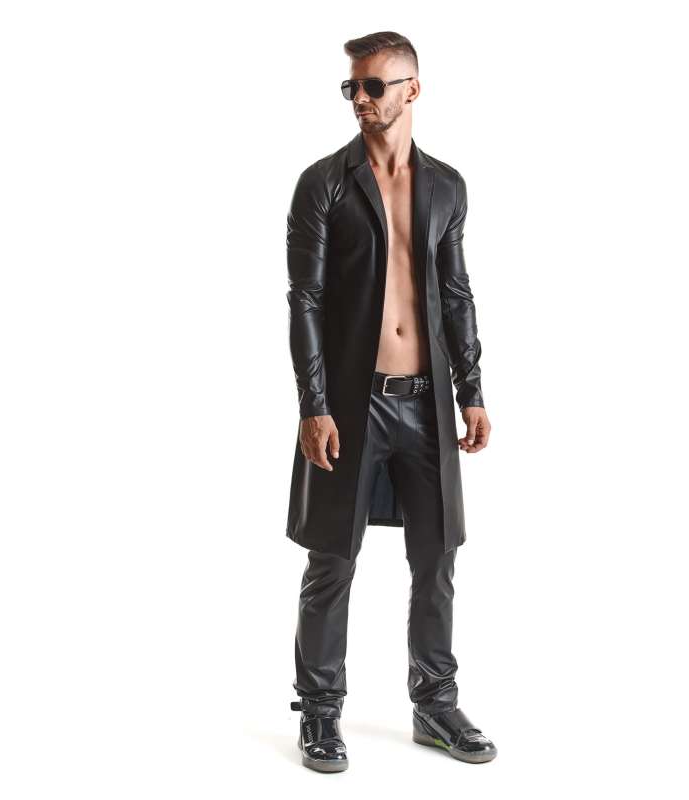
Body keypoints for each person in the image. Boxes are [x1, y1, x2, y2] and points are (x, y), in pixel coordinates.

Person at [285, 31, 496, 772]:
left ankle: (435, 704)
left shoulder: (446, 187)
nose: (361, 99)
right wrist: (314, 403)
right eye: (353, 86)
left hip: (428, 402)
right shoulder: (323, 184)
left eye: (375, 86)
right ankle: (319, 711)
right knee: (332, 560)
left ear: (413, 88)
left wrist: (472, 390)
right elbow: (305, 299)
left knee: (436, 558)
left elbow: (456, 293)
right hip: (351, 402)